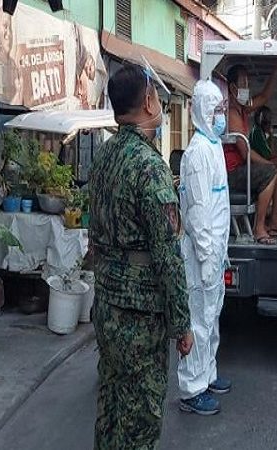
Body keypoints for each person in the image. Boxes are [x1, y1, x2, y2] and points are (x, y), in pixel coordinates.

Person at [88, 63, 193, 449]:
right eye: (158, 97)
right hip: (140, 314)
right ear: (149, 101)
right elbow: (168, 254)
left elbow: (94, 231)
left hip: (108, 305)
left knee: (112, 405)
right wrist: (181, 324)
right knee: (142, 417)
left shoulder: (104, 156)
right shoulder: (150, 168)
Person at [177, 80, 232, 415]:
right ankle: (191, 390)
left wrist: (220, 251)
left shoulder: (213, 147)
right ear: (201, 111)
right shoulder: (198, 153)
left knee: (211, 319)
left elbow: (218, 207)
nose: (221, 116)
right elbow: (197, 213)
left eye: (222, 110)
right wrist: (208, 256)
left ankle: (207, 374)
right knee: (198, 320)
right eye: (216, 110)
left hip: (214, 251)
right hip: (201, 256)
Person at [224, 63, 277, 244]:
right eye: (244, 84)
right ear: (232, 88)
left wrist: (275, 69)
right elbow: (246, 153)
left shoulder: (243, 108)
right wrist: (269, 165)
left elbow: (264, 96)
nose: (247, 88)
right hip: (231, 174)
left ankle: (273, 219)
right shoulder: (231, 113)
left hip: (241, 169)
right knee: (270, 172)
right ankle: (259, 228)